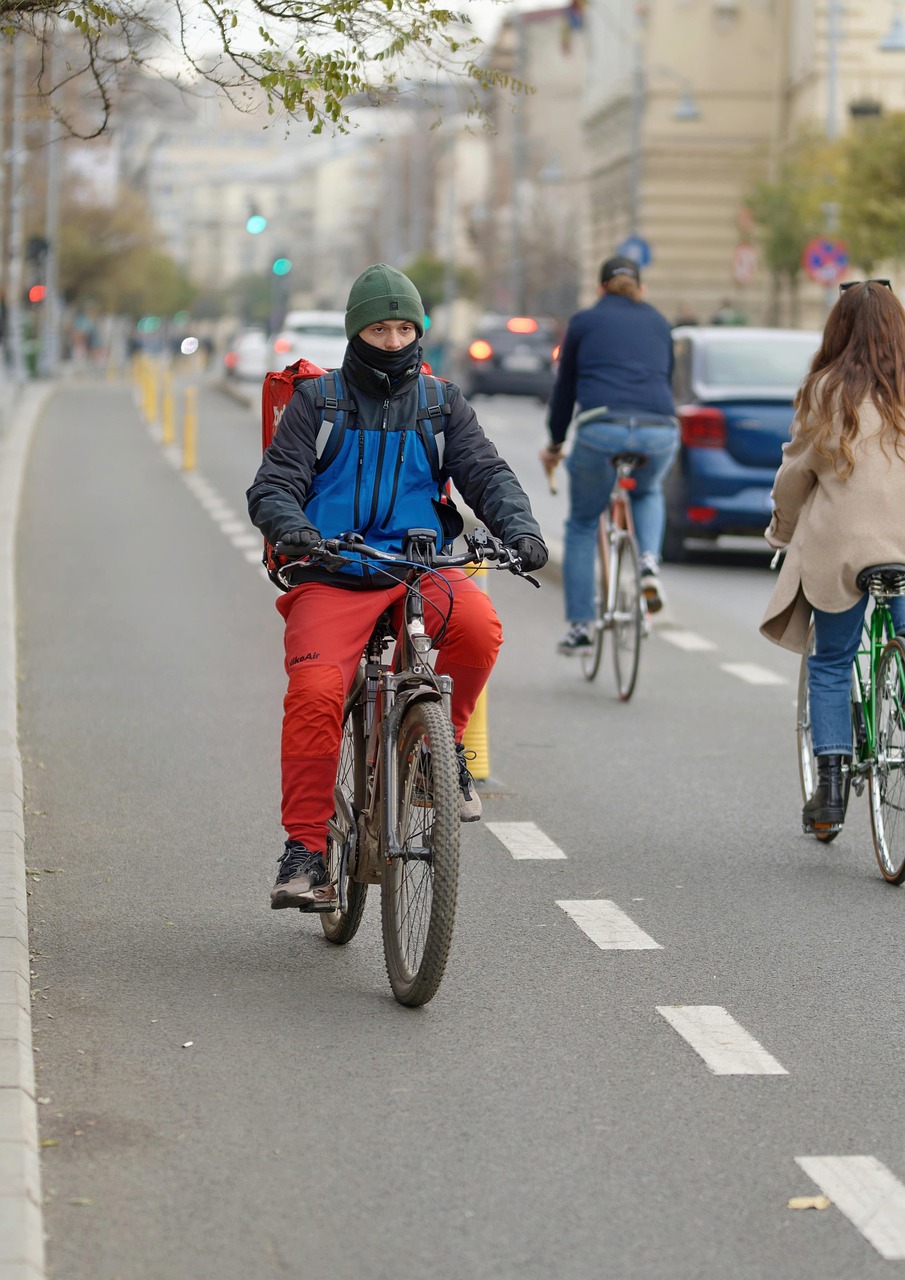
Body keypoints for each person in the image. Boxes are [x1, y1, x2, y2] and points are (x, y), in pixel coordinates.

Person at [247, 263, 548, 911]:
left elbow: (486, 475)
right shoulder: (316, 402)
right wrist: (294, 530)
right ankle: (304, 852)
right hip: (334, 570)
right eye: (379, 327)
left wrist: (520, 530)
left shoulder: (442, 404)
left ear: (419, 331)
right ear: (357, 332)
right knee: (316, 690)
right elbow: (273, 485)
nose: (391, 340)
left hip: (419, 567)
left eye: (403, 327)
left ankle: (435, 758)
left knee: (477, 628)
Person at [761, 279, 905, 835]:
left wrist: (782, 529)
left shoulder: (825, 391)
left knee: (830, 661)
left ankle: (831, 796)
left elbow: (794, 478)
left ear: (838, 330)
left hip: (842, 552)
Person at [540, 254, 680, 654]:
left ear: (601, 288)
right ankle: (649, 565)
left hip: (601, 428)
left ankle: (581, 627)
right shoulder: (658, 320)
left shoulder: (583, 322)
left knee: (583, 522)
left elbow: (564, 390)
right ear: (641, 288)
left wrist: (554, 443)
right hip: (658, 429)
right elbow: (665, 379)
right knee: (648, 491)